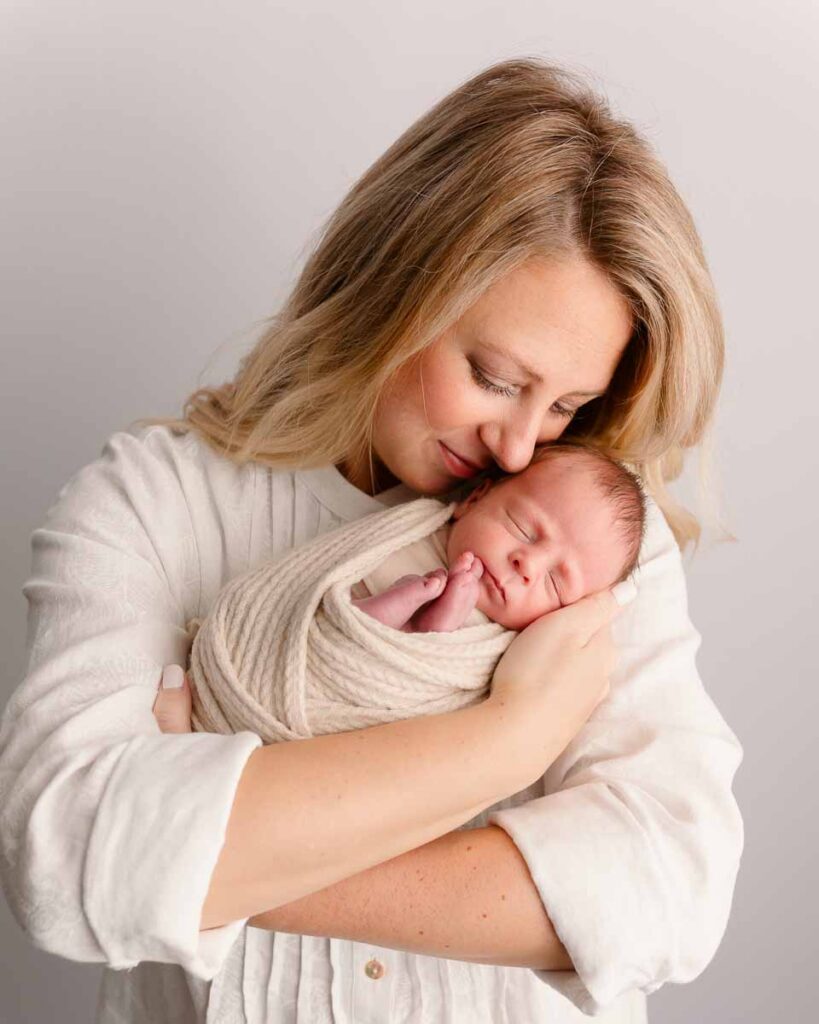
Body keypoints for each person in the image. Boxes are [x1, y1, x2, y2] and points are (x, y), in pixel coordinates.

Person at [0, 57, 744, 1023]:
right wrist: (508, 739)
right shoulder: (152, 499)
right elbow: (61, 856)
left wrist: (216, 859)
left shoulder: (580, 540)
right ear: (388, 291)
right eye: (492, 375)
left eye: (565, 403)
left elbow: (672, 886)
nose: (518, 445)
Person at [184, 441, 646, 743]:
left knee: (419, 633)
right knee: (347, 612)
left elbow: (425, 714)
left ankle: (413, 620)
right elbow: (311, 577)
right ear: (474, 499)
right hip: (284, 647)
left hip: (319, 722)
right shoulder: (412, 527)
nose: (528, 565)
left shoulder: (496, 650)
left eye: (555, 582)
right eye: (523, 529)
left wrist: (439, 627)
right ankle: (380, 614)